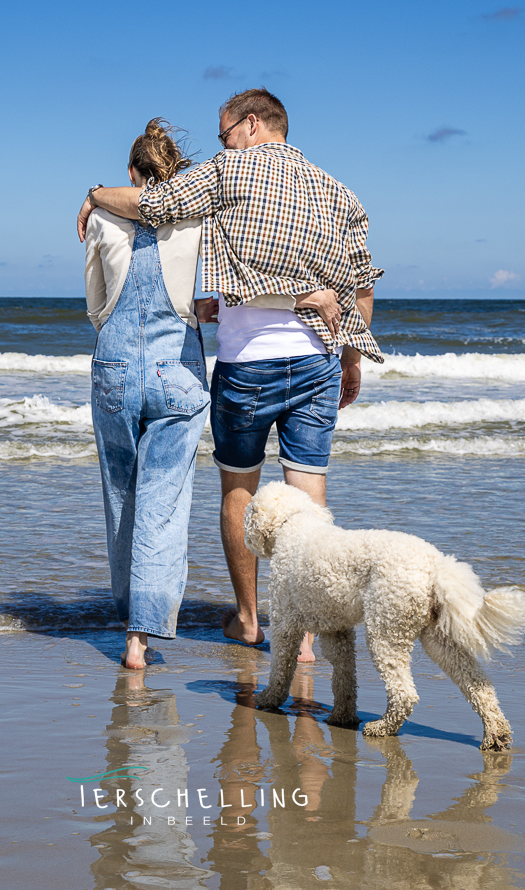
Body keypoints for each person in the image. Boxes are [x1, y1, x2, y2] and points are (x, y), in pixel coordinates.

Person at [77, 89, 383, 663]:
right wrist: (350, 358)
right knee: (308, 503)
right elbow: (362, 288)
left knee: (238, 491)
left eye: (223, 134)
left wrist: (94, 194)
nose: (222, 144)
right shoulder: (343, 192)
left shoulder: (229, 172)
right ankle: (308, 638)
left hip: (246, 365)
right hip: (317, 359)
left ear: (250, 125)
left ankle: (247, 620)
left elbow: (156, 205)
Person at [83, 119, 210, 670]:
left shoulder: (104, 217)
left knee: (122, 494)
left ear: (131, 174)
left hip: (113, 365)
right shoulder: (197, 217)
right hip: (176, 369)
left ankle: (126, 613)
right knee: (165, 503)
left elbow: (95, 304)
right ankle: (143, 632)